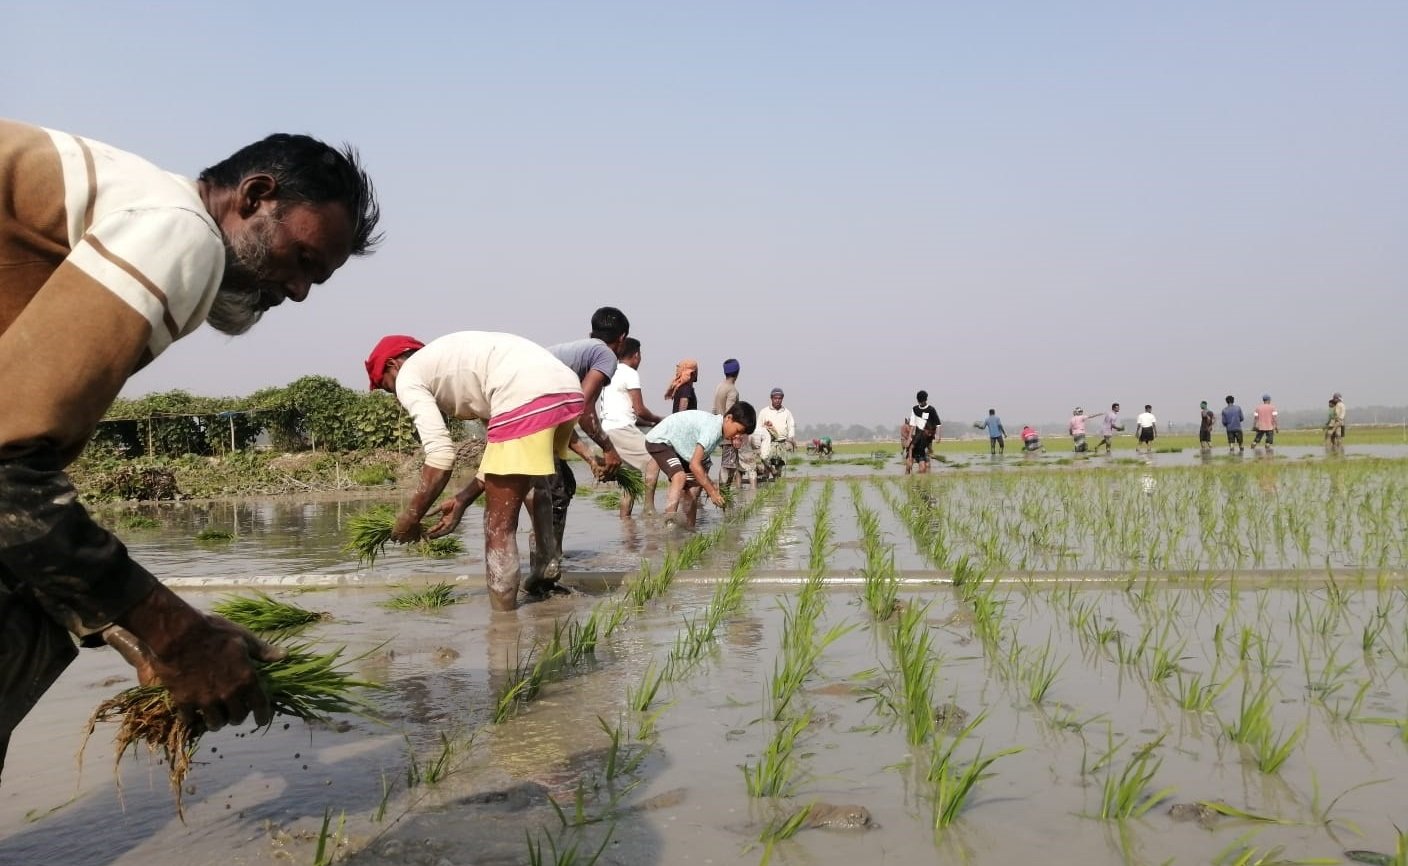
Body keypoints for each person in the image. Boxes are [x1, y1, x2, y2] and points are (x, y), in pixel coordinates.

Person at [0, 119, 382, 779]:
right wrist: (176, 634)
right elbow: (9, 463)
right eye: (303, 260)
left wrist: (132, 626)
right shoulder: (179, 231)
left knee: (33, 607)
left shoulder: (125, 206)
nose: (296, 292)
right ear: (255, 196)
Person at [366, 331, 583, 610]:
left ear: (393, 365)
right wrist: (462, 500)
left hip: (525, 391)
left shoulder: (408, 376)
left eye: (387, 387)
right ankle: (546, 566)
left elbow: (441, 457)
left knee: (497, 525)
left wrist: (409, 518)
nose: (395, 397)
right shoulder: (450, 364)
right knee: (533, 483)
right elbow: (497, 455)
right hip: (565, 388)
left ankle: (503, 628)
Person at [645, 404, 757, 527]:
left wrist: (713, 487)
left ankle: (690, 528)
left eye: (742, 434)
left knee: (692, 492)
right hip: (661, 441)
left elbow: (698, 464)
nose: (738, 436)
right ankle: (669, 524)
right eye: (738, 431)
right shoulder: (713, 429)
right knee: (679, 477)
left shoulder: (719, 431)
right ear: (728, 418)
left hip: (682, 448)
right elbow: (694, 465)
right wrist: (712, 492)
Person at [598, 337, 665, 516]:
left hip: (607, 430)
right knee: (655, 458)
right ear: (636, 355)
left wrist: (649, 423)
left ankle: (626, 523)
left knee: (631, 478)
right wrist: (658, 419)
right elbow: (640, 409)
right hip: (621, 429)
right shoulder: (629, 373)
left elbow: (631, 413)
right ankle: (648, 508)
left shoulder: (610, 371)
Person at [757, 387, 797, 481]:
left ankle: (778, 485)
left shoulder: (787, 412)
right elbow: (758, 428)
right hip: (768, 442)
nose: (777, 400)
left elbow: (791, 426)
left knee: (779, 466)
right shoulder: (764, 412)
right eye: (775, 398)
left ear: (782, 399)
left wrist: (791, 439)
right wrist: (765, 426)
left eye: (779, 398)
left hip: (782, 443)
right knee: (767, 463)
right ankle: (765, 482)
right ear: (771, 398)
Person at [713, 358, 742, 487]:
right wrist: (735, 435)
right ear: (738, 372)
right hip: (729, 432)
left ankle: (724, 494)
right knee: (728, 465)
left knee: (726, 462)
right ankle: (724, 494)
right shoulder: (732, 390)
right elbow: (730, 412)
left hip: (720, 429)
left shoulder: (719, 386)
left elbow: (714, 409)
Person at [906, 391, 942, 474]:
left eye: (923, 401)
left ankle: (921, 479)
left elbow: (938, 424)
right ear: (918, 401)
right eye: (920, 401)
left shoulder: (931, 409)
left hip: (927, 438)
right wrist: (909, 438)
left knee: (924, 466)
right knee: (910, 463)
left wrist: (938, 435)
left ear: (926, 400)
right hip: (918, 437)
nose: (921, 403)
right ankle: (908, 476)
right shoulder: (915, 409)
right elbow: (912, 424)